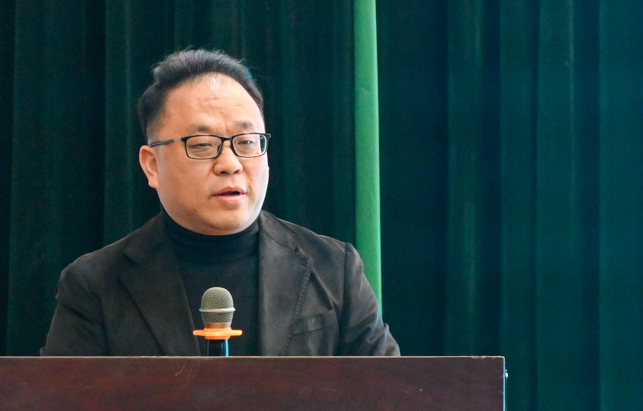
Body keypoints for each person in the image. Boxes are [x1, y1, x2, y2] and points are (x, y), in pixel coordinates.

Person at [42, 49, 398, 357]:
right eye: (201, 145)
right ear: (152, 165)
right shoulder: (95, 285)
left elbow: (391, 399)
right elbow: (61, 410)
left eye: (247, 142)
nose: (230, 163)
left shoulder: (335, 269)